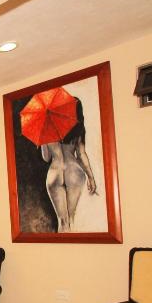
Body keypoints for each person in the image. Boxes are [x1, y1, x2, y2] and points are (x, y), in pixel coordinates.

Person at [40, 98, 98, 233]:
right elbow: (81, 155)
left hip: (55, 172)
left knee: (62, 222)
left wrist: (43, 140)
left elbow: (46, 158)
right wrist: (91, 178)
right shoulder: (78, 129)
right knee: (71, 219)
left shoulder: (47, 128)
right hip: (74, 171)